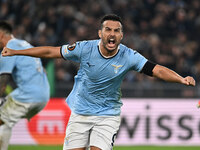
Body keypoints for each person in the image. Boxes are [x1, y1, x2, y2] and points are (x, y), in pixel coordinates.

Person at [1, 14, 196, 150]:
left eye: (116, 31)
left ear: (121, 35)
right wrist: (17, 52)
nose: (112, 34)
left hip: (107, 115)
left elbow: (157, 70)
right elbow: (51, 51)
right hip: (80, 112)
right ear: (100, 33)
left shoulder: (129, 56)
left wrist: (180, 78)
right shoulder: (83, 48)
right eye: (108, 29)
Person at [0, 21, 50, 150]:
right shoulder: (25, 44)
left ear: (1, 34)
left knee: (2, 122)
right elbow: (43, 70)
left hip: (27, 95)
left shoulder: (9, 48)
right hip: (44, 96)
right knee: (4, 120)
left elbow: (3, 79)